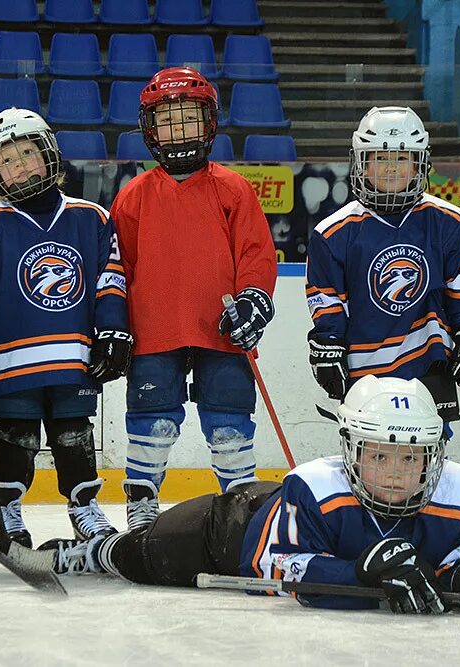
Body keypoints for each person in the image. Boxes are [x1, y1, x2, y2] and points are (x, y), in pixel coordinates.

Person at [37, 376, 460, 614]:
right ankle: (86, 554)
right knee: (142, 557)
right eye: (379, 457)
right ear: (351, 452)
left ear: (432, 457)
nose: (395, 472)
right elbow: (277, 567)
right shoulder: (315, 487)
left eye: (410, 459)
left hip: (272, 516)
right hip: (229, 532)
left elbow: (455, 556)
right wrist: (355, 573)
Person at [108, 66, 278, 530]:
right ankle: (142, 502)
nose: (178, 129)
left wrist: (254, 300)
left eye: (188, 118)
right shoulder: (132, 197)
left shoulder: (233, 189)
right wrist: (115, 323)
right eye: (168, 120)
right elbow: (120, 270)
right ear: (150, 129)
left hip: (220, 328)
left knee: (228, 419)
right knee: (152, 421)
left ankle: (241, 502)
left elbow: (256, 254)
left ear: (209, 122)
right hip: (154, 328)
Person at [0, 107, 131, 547]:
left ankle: (84, 507)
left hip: (73, 355)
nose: (20, 166)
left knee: (74, 433)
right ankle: (8, 509)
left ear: (48, 154)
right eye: (7, 162)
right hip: (9, 357)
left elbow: (109, 278)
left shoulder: (90, 216)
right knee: (14, 435)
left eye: (27, 153)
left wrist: (111, 330)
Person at [304, 106, 460, 427]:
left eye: (402, 159)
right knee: (368, 459)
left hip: (429, 363)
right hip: (363, 373)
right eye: (380, 158)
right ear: (362, 164)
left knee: (429, 458)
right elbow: (328, 305)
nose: (391, 169)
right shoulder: (333, 233)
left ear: (420, 164)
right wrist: (329, 346)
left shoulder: (450, 222)